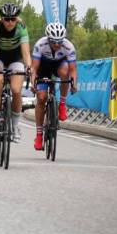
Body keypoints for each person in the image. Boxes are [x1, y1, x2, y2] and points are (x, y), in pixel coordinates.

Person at [0, 3, 31, 143]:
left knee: (16, 90)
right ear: (2, 19)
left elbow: (26, 53)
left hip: (15, 59)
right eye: (6, 19)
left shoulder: (21, 28)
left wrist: (28, 67)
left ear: (17, 19)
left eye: (13, 19)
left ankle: (15, 126)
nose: (10, 22)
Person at [30, 22, 78, 150]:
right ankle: (39, 135)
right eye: (53, 41)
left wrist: (74, 83)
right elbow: (34, 69)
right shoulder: (40, 45)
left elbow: (73, 69)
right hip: (43, 68)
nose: (57, 44)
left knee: (65, 73)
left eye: (59, 41)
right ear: (48, 39)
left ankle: (62, 104)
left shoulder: (68, 46)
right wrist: (33, 82)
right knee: (41, 98)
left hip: (59, 65)